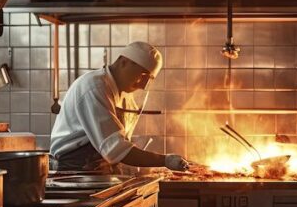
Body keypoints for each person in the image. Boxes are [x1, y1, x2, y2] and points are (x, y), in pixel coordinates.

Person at [50, 41, 192, 173]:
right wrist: (164, 160)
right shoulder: (94, 87)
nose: (144, 85)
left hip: (98, 170)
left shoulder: (126, 96)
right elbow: (116, 149)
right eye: (143, 76)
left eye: (149, 80)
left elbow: (120, 147)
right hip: (73, 170)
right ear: (123, 62)